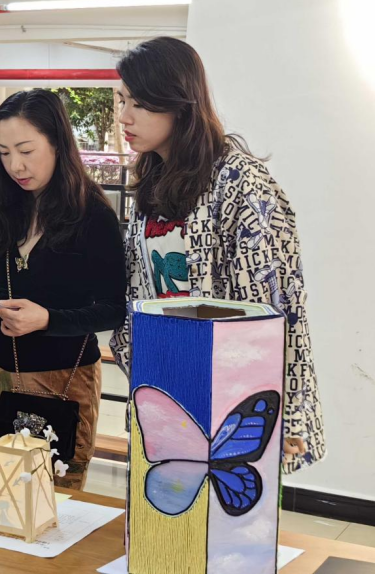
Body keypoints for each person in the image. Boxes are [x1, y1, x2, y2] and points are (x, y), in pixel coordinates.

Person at [108, 37, 325, 473]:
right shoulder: (153, 178)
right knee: (165, 497)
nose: (125, 117)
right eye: (123, 101)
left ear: (179, 103)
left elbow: (274, 303)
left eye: (140, 104)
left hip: (229, 387)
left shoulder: (240, 180)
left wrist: (282, 411)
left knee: (225, 500)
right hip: (164, 375)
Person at [0, 89, 126, 488]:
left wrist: (47, 319)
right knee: (1, 494)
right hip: (3, 373)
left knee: (56, 495)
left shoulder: (92, 214)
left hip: (65, 376)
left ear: (57, 143)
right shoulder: (7, 207)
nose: (15, 165)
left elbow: (112, 308)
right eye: (4, 153)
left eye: (26, 150)